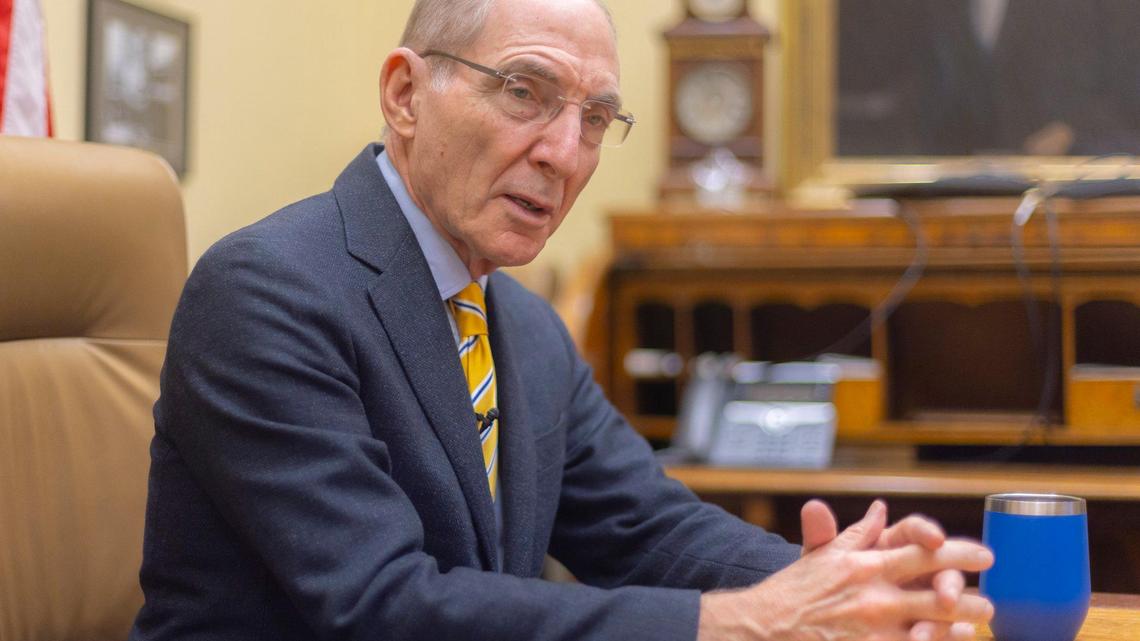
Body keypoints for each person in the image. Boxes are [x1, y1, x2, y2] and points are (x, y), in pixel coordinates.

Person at [129, 1, 994, 639]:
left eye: (593, 117)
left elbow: (644, 524)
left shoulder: (526, 327)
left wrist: (848, 580)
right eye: (523, 92)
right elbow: (379, 604)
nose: (563, 153)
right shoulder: (267, 290)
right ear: (404, 95)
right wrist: (746, 621)